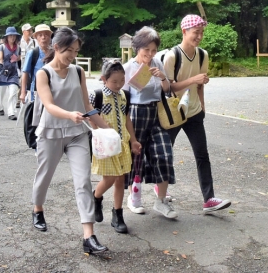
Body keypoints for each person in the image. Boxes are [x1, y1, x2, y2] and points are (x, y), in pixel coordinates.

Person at [31, 27, 111, 255]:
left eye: (76, 51)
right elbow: (49, 105)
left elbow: (86, 106)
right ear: (56, 48)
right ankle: (37, 209)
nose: (73, 56)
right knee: (44, 175)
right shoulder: (43, 73)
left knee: (83, 180)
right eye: (69, 51)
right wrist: (70, 114)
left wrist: (108, 129)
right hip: (51, 133)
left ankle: (89, 236)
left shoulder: (78, 71)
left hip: (77, 133)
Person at [163, 14, 231, 213]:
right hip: (173, 112)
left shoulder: (203, 55)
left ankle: (209, 199)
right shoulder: (172, 56)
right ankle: (162, 192)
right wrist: (193, 79)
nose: (199, 36)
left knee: (202, 155)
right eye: (196, 32)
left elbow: (200, 84)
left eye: (201, 33)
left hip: (193, 112)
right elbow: (167, 88)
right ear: (184, 32)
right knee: (166, 153)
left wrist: (202, 106)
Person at [123, 26, 176, 219]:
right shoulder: (128, 68)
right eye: (147, 50)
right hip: (136, 113)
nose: (151, 54)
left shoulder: (157, 63)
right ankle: (134, 198)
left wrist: (162, 77)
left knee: (164, 153)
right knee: (137, 157)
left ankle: (161, 201)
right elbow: (123, 97)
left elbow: (167, 89)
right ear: (138, 48)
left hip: (157, 112)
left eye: (154, 50)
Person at [91, 60, 142, 234]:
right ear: (104, 79)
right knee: (110, 178)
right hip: (106, 146)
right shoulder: (97, 95)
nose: (119, 84)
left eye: (122, 80)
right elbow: (91, 118)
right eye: (114, 81)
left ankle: (117, 214)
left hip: (122, 145)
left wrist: (133, 140)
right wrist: (100, 130)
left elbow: (127, 118)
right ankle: (96, 197)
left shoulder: (124, 95)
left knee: (121, 180)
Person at [20, 24, 52, 104]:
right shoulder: (33, 53)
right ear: (36, 38)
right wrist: (23, 92)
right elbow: (25, 73)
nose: (43, 37)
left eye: (46, 35)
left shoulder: (54, 53)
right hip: (36, 91)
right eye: (40, 35)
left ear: (50, 37)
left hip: (52, 89)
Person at [0, 27, 21, 120]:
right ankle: (0, 107)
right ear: (7, 37)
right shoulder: (2, 46)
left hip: (13, 71)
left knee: (13, 92)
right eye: (10, 36)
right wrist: (1, 65)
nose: (12, 37)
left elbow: (20, 57)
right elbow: (0, 58)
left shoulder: (18, 47)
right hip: (3, 71)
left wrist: (16, 58)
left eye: (14, 36)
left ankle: (11, 112)